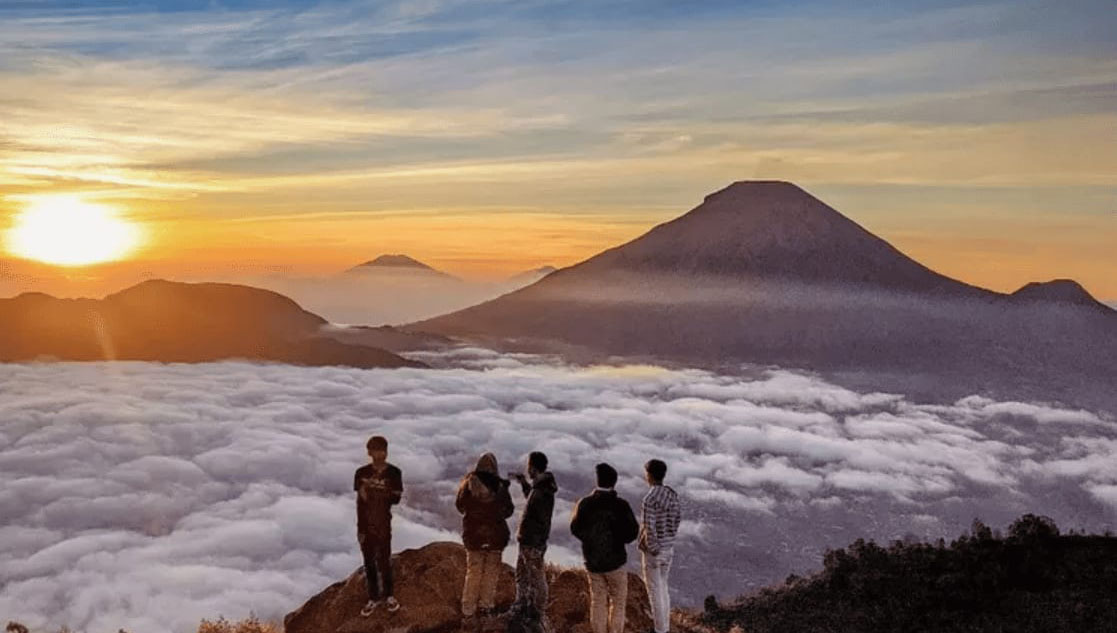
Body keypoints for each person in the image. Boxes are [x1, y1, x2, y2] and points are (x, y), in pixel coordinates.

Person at [569, 463, 639, 633]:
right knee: (618, 602)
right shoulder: (621, 505)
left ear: (597, 480)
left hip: (592, 560)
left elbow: (575, 528)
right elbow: (632, 532)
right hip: (616, 561)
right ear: (614, 483)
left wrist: (590, 540)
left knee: (598, 599)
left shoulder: (585, 503)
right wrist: (618, 539)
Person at [456, 452, 515, 626]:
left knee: (473, 573)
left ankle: (468, 612)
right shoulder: (500, 487)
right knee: (490, 573)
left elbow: (460, 507)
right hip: (496, 537)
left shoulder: (467, 485)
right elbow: (509, 510)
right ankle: (486, 608)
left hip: (473, 537)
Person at [354, 435, 404, 617]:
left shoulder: (394, 473)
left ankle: (389, 595)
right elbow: (360, 503)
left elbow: (396, 499)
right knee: (369, 562)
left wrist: (377, 495)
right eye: (376, 450)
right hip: (366, 524)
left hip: (383, 522)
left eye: (382, 449)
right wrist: (360, 529)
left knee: (384, 559)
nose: (380, 454)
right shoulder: (361, 473)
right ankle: (373, 598)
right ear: (369, 452)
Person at [507, 451, 557, 625]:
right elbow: (533, 500)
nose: (528, 470)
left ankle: (537, 612)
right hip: (528, 541)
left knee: (536, 577)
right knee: (521, 574)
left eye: (529, 466)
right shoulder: (540, 487)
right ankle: (522, 605)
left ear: (534, 467)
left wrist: (534, 536)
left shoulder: (542, 491)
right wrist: (523, 484)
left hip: (532, 542)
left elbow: (541, 516)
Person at [639, 459, 681, 633]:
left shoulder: (649, 499)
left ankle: (660, 630)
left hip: (655, 551)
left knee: (654, 591)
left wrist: (653, 548)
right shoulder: (672, 494)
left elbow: (649, 527)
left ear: (649, 475)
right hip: (668, 548)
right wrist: (668, 539)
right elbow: (677, 520)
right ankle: (665, 627)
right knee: (663, 588)